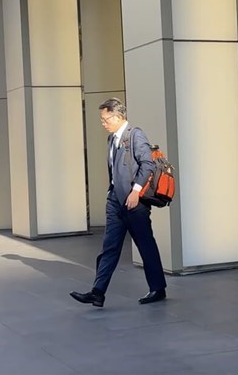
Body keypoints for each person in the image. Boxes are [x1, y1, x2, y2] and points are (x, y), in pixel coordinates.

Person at [70, 98, 167, 307]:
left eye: (105, 119)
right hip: (115, 200)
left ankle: (158, 288)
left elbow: (148, 164)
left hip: (134, 202)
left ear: (117, 116)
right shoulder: (112, 139)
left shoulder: (135, 135)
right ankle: (97, 292)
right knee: (109, 247)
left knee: (145, 245)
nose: (102, 123)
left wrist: (136, 191)